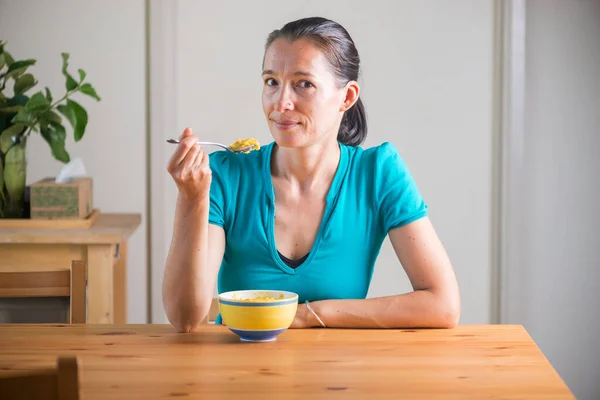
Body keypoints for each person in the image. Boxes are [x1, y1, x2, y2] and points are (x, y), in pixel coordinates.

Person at [163, 16, 460, 332]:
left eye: (303, 84)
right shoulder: (226, 173)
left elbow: (442, 305)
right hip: (238, 368)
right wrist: (191, 199)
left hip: (335, 375)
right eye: (271, 82)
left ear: (346, 97)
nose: (281, 102)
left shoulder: (378, 173)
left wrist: (306, 315)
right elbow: (185, 319)